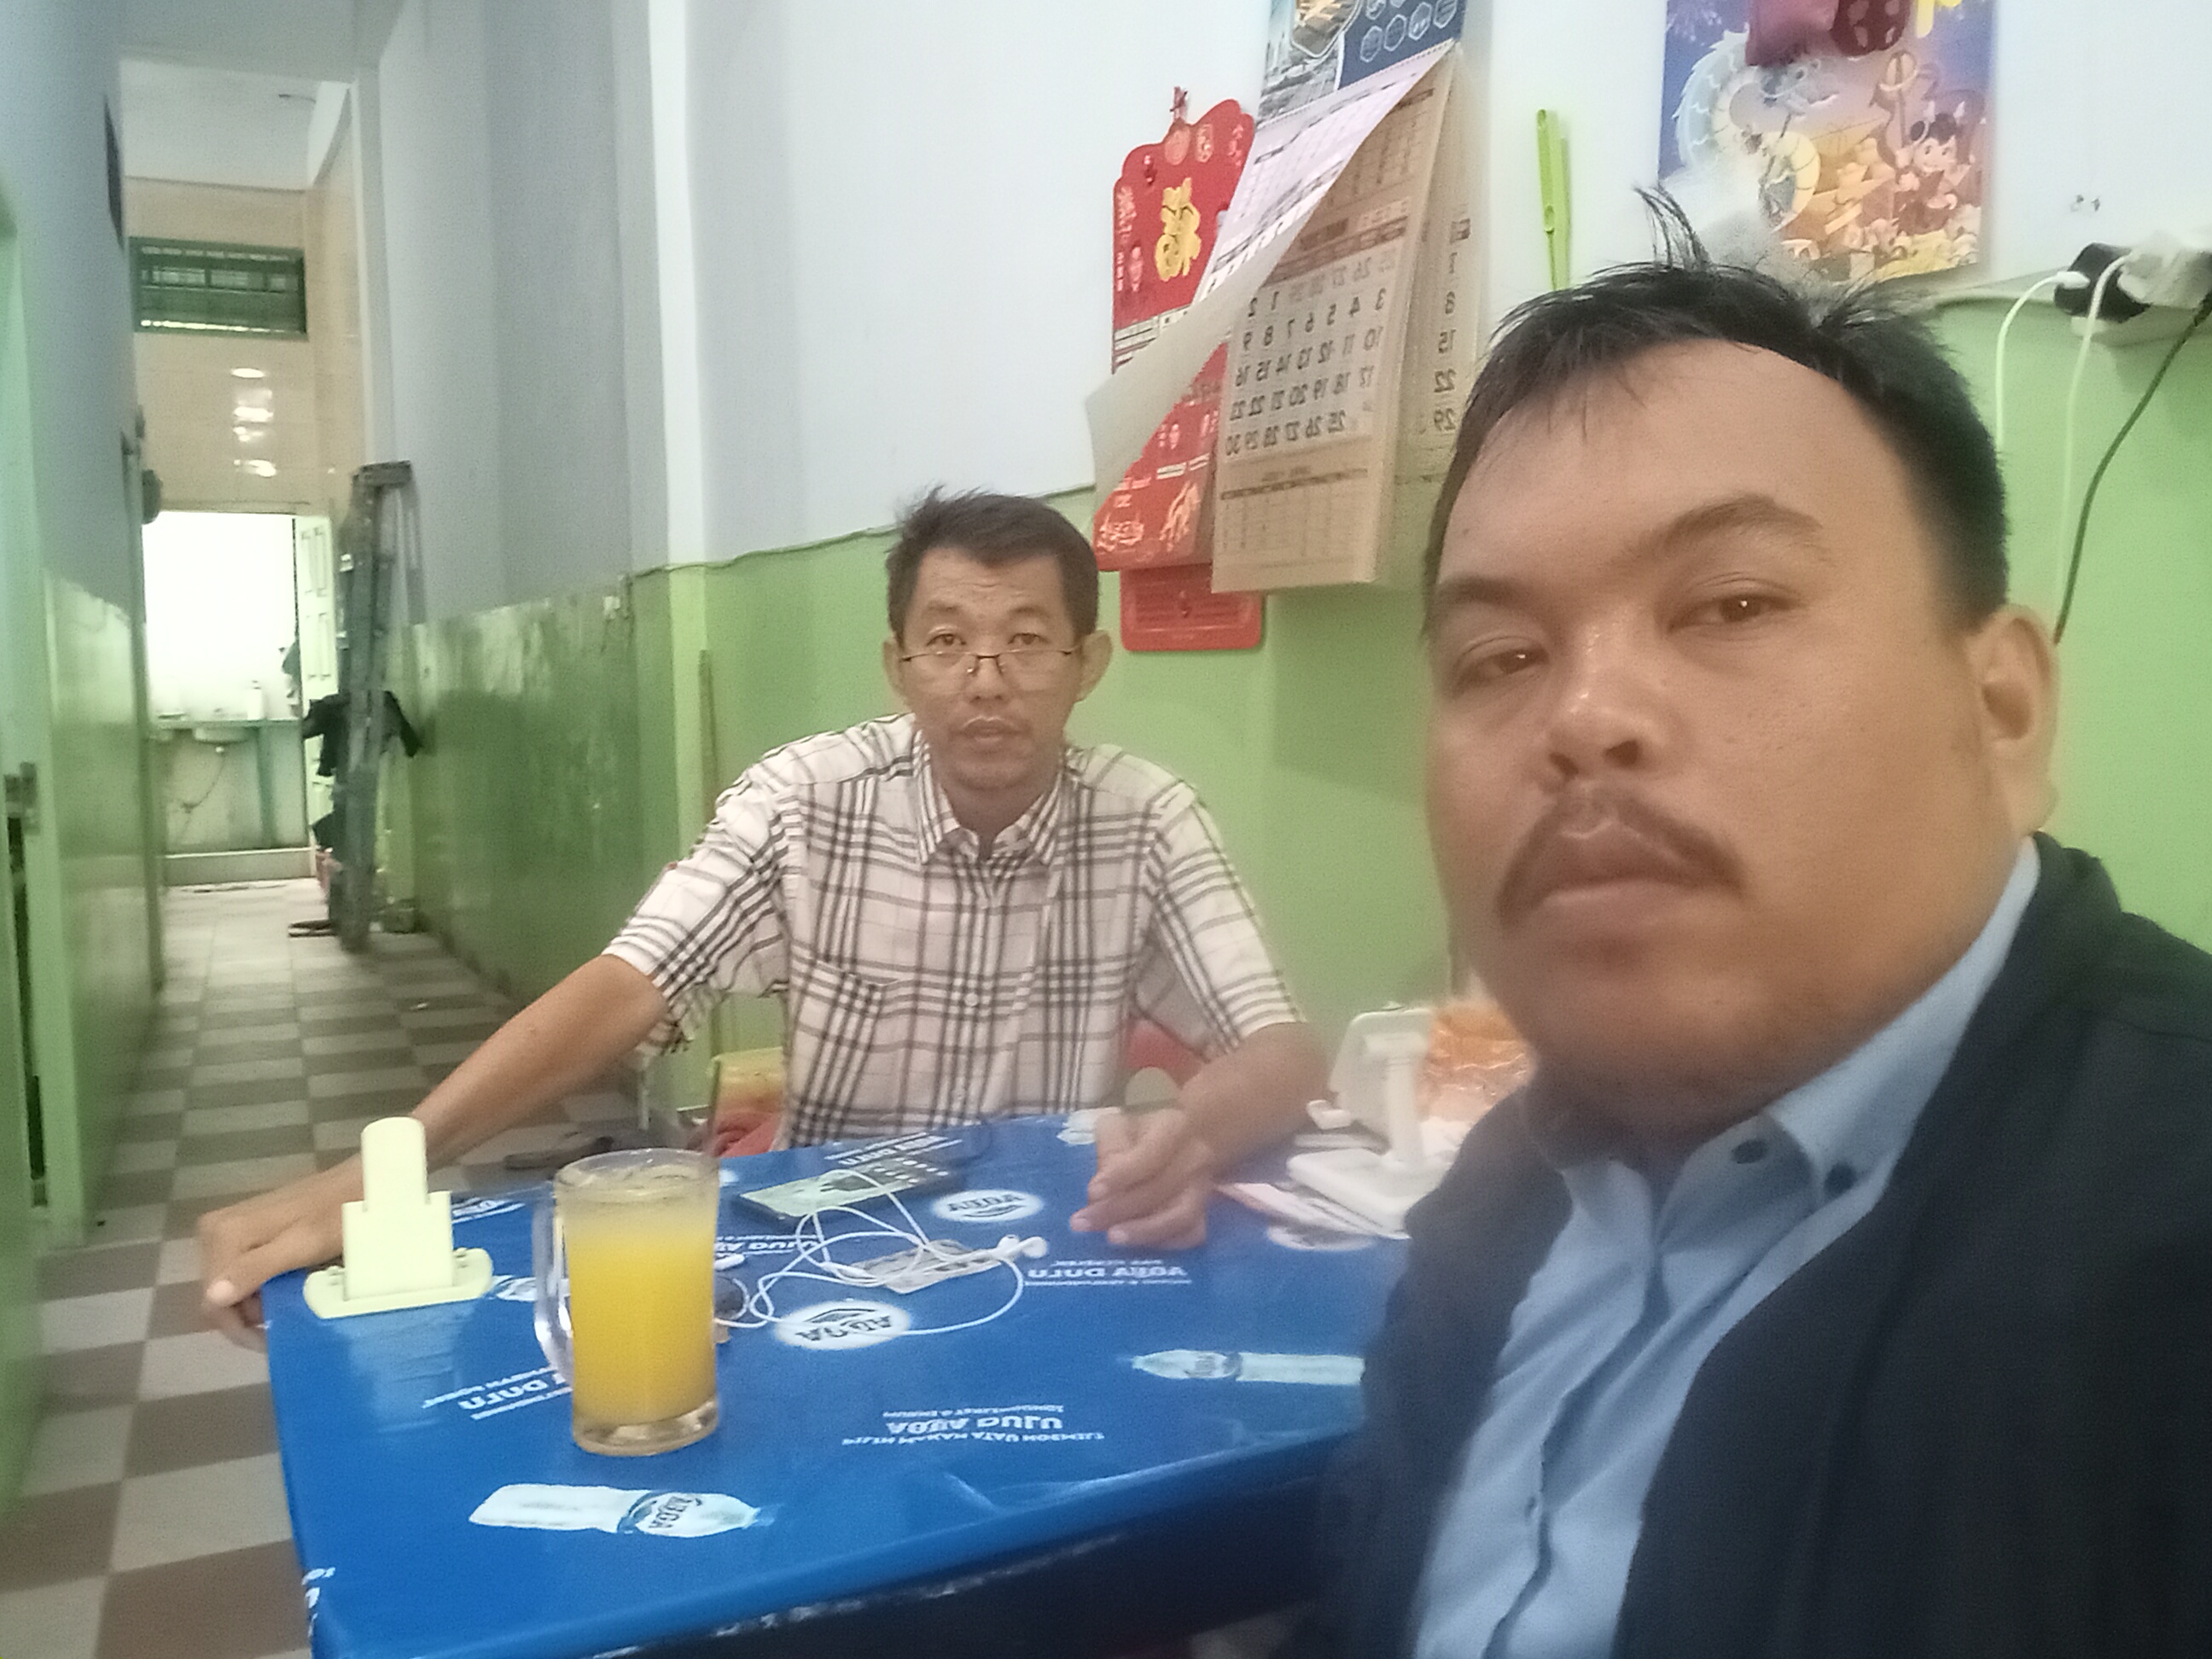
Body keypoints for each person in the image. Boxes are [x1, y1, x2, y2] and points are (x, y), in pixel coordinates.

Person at [1303, 242, 2212, 1657]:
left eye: (1732, 604)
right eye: (1502, 658)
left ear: (2003, 710)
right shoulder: (1501, 1194)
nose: (1584, 718)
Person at [200, 488, 1324, 1342]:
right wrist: (386, 1169)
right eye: (946, 642)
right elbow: (628, 985)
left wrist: (1192, 1137)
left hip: (1050, 1250)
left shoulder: (1148, 816)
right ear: (898, 667)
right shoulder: (804, 802)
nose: (987, 678)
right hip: (830, 1256)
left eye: (1028, 641)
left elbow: (1280, 1050)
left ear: (1089, 664)